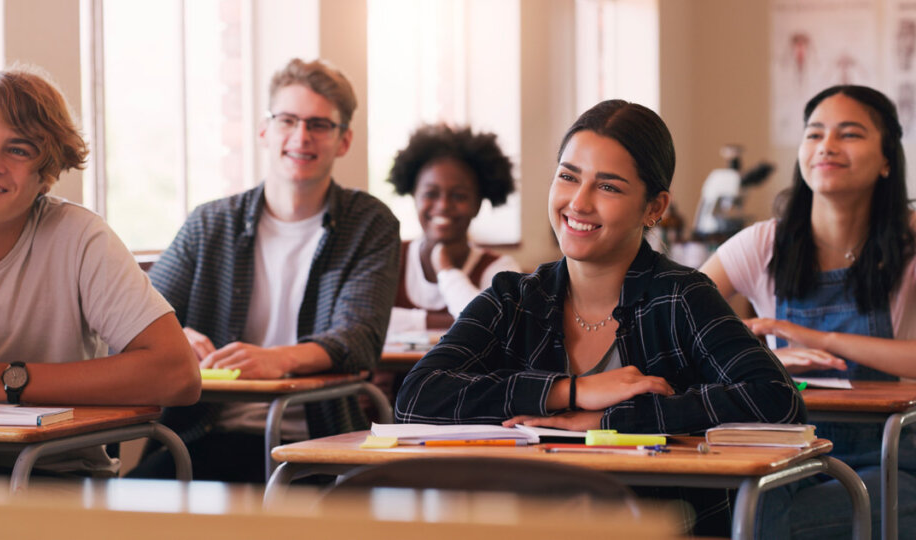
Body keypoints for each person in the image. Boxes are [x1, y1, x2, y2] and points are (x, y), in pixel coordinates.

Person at [395, 99, 804, 535]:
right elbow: (416, 396)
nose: (579, 202)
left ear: (654, 207)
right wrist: (570, 391)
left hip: (655, 520)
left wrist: (611, 422)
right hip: (529, 516)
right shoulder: (512, 298)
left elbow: (777, 399)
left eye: (608, 187)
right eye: (568, 177)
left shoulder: (682, 296)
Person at [0, 66, 201, 474]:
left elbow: (179, 375)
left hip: (51, 474)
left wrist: (0, 380)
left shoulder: (80, 238)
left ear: (47, 176)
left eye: (18, 150)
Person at [131, 58, 400, 483]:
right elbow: (136, 314)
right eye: (287, 120)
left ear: (343, 140)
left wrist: (278, 360)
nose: (301, 137)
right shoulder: (209, 223)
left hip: (318, 439)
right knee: (126, 506)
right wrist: (174, 336)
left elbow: (360, 338)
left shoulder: (369, 223)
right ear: (264, 131)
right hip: (204, 431)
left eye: (319, 125)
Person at [700, 85, 916, 539]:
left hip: (896, 455)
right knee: (755, 504)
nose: (827, 146)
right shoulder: (763, 244)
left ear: (886, 160)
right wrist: (761, 357)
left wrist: (818, 338)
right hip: (793, 451)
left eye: (849, 134)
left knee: (766, 521)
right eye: (814, 133)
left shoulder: (910, 241)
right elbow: (675, 328)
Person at [386, 124, 521, 332]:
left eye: (459, 196)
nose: (443, 206)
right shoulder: (389, 257)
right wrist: (449, 322)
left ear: (477, 205)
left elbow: (496, 329)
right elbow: (366, 321)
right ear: (414, 197)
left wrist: (447, 271)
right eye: (431, 194)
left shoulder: (500, 270)